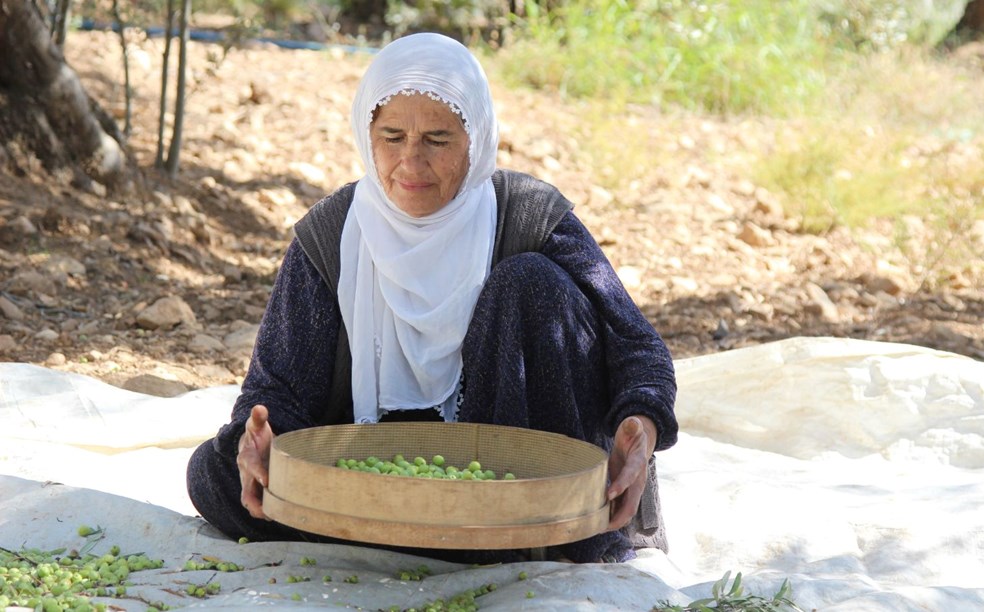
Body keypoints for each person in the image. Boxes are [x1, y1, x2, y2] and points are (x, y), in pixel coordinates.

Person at [186, 32, 678, 564]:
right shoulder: (332, 236)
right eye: (392, 137)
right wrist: (255, 438)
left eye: (438, 140)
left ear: (477, 139)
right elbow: (276, 387)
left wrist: (641, 423)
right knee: (212, 472)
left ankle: (521, 534)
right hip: (380, 458)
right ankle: (428, 532)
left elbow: (639, 349)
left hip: (525, 474)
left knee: (529, 283)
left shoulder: (529, 217)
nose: (411, 164)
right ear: (365, 135)